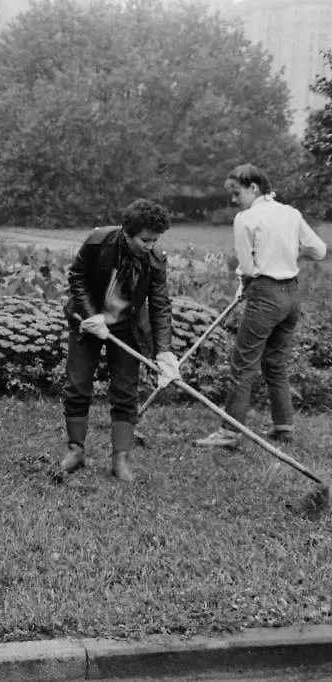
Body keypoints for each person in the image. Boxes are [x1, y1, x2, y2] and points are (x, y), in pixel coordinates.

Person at [194, 164, 327, 449]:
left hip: (265, 293)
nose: (233, 200)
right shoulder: (291, 213)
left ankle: (229, 433)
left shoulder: (246, 218)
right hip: (291, 295)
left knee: (242, 365)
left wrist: (248, 283)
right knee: (275, 364)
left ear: (253, 187)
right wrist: (288, 251)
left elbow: (248, 268)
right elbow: (319, 250)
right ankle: (284, 428)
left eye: (236, 192)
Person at [59, 198, 180, 483]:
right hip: (87, 323)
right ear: (127, 231)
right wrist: (93, 315)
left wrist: (163, 352)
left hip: (127, 327)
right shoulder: (99, 242)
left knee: (125, 392)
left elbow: (160, 306)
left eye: (155, 240)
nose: (150, 246)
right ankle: (75, 451)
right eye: (145, 240)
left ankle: (120, 460)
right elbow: (76, 276)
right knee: (77, 385)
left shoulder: (155, 260)